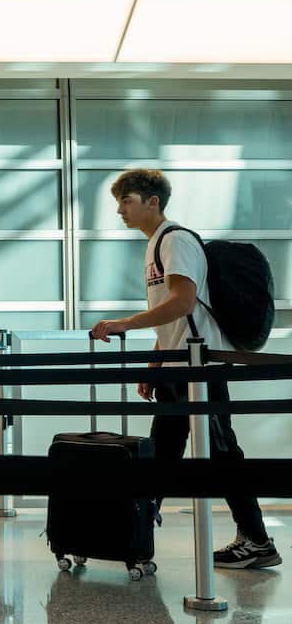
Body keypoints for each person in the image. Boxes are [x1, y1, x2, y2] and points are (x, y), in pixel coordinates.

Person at [92, 169, 280, 569]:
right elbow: (173, 319)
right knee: (161, 455)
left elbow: (183, 302)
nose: (120, 210)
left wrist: (125, 324)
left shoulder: (175, 241)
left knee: (222, 453)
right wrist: (155, 363)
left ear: (152, 202)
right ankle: (133, 537)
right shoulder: (156, 245)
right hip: (180, 366)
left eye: (127, 201)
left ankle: (258, 541)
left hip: (200, 367)